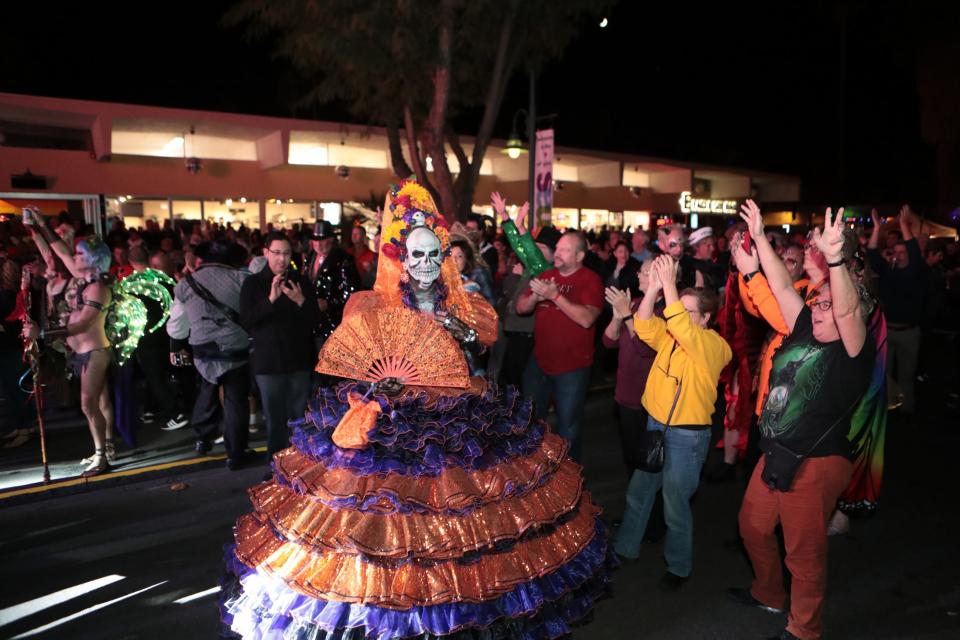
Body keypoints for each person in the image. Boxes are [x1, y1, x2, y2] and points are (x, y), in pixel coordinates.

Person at [220, 179, 613, 639]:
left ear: (442, 258)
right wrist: (381, 382)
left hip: (458, 418)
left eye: (433, 255)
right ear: (402, 262)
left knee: (463, 520)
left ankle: (451, 608)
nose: (426, 264)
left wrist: (458, 330)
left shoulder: (466, 306)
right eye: (417, 256)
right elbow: (359, 363)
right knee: (382, 518)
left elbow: (478, 351)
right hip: (396, 420)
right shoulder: (372, 306)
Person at [730, 202, 876, 640]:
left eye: (826, 305)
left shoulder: (853, 351)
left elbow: (848, 312)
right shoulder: (804, 328)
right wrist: (758, 237)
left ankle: (803, 630)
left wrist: (834, 259)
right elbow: (780, 285)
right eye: (817, 302)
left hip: (815, 462)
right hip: (776, 452)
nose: (817, 308)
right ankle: (770, 594)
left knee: (804, 554)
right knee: (752, 527)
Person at [614, 255, 731, 588]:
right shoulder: (673, 336)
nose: (676, 312)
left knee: (675, 504)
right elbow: (645, 324)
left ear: (706, 318)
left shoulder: (714, 346)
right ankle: (626, 548)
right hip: (656, 427)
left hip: (686, 438)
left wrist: (669, 284)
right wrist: (653, 289)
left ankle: (678, 566)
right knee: (639, 492)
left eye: (687, 309)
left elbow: (679, 325)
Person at [22, 211, 115, 476]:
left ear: (94, 261)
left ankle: (102, 456)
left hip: (95, 352)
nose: (74, 257)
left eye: (81, 255)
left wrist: (41, 334)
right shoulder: (83, 277)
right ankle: (103, 448)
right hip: (82, 352)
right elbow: (60, 251)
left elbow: (82, 325)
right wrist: (40, 224)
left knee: (89, 404)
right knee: (93, 403)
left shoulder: (98, 287)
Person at [516, 231, 604, 461]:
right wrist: (535, 298)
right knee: (532, 420)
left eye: (564, 249)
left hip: (572, 367)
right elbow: (521, 307)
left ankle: (568, 475)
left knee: (568, 427)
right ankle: (533, 467)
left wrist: (555, 296)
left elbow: (587, 318)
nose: (557, 253)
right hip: (540, 362)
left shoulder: (590, 280)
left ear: (580, 255)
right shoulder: (547, 274)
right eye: (557, 248)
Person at [167, 238, 253, 470]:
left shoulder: (187, 283)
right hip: (236, 350)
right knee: (236, 401)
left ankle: (202, 440)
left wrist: (177, 345)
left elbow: (177, 323)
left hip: (203, 350)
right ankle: (235, 453)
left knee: (207, 391)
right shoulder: (243, 280)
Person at [240, 232, 319, 459]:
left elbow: (316, 321)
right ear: (266, 253)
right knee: (274, 421)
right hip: (269, 365)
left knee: (299, 418)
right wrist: (270, 301)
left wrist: (301, 301)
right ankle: (277, 468)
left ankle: (300, 464)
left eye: (286, 253)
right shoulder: (252, 284)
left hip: (299, 362)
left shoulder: (301, 282)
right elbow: (246, 322)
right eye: (276, 253)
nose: (281, 259)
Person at [867, 205, 925, 414]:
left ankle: (906, 414)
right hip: (887, 331)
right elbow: (872, 253)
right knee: (884, 375)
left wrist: (903, 224)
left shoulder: (915, 272)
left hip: (909, 332)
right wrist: (876, 228)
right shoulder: (888, 273)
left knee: (906, 377)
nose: (898, 255)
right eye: (896, 252)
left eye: (903, 252)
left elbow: (915, 252)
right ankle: (885, 413)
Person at [303, 220, 360, 351]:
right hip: (312, 323)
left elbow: (353, 294)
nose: (318, 244)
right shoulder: (310, 257)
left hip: (335, 326)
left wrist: (329, 304)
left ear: (331, 239)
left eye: (322, 240)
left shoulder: (343, 259)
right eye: (315, 240)